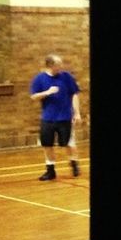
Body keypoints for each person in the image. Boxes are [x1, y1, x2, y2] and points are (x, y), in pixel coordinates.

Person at [29, 53, 82, 181]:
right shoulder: (39, 79)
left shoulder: (66, 77)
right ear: (50, 65)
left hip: (64, 117)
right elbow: (33, 97)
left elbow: (74, 94)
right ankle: (50, 170)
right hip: (48, 118)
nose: (61, 67)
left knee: (68, 143)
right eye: (58, 65)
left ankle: (74, 162)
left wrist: (77, 113)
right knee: (47, 144)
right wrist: (47, 92)